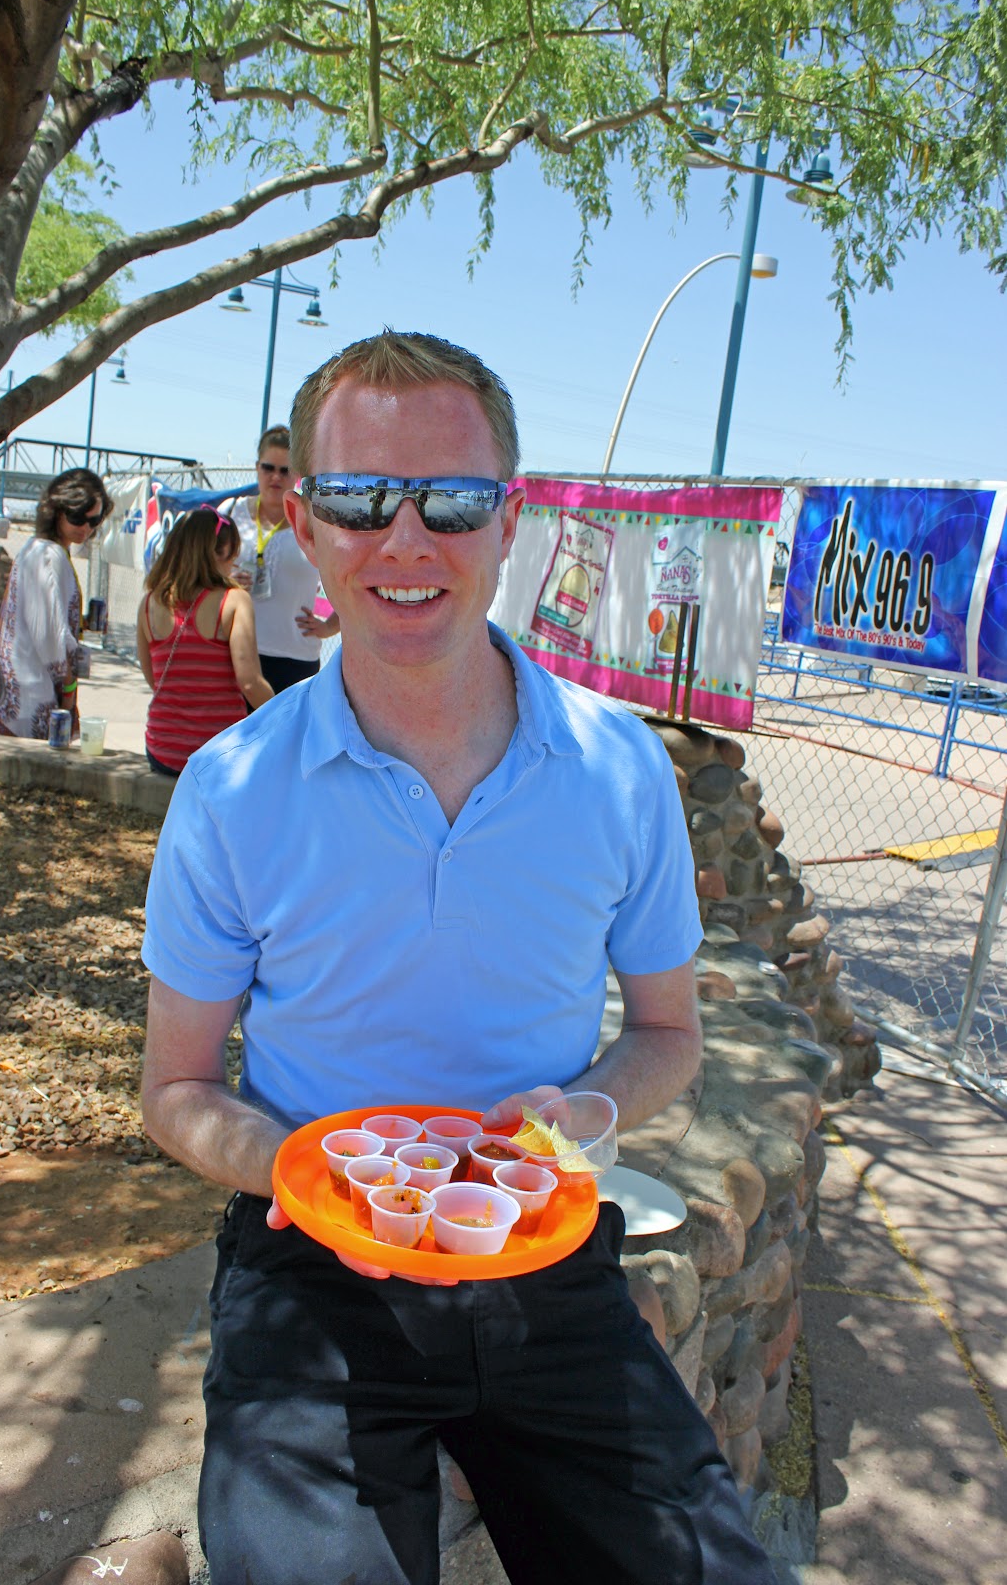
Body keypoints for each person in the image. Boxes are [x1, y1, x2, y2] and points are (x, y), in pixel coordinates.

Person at [140, 332, 776, 1585]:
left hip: (543, 1254)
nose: (406, 537)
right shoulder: (231, 791)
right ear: (303, 524)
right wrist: (317, 1175)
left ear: (511, 521)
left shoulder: (615, 768)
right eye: (360, 497)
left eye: (454, 498)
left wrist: (588, 1107)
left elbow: (667, 1036)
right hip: (308, 1270)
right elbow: (176, 1089)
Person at [136, 505, 274, 775]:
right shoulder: (233, 601)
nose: (234, 563)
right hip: (218, 756)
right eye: (233, 556)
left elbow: (154, 679)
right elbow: (250, 683)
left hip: (162, 751)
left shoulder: (148, 602)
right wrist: (289, 716)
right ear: (218, 554)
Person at [0, 468, 111, 740]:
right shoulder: (50, 556)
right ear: (58, 511)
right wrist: (68, 690)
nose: (87, 527)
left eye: (95, 519)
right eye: (79, 517)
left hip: (16, 693)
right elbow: (49, 637)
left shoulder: (38, 548)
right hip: (30, 697)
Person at [221, 425, 336, 688]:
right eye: (268, 468)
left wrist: (331, 626)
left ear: (296, 474)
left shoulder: (315, 521)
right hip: (234, 652)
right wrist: (226, 581)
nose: (275, 477)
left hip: (295, 658)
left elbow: (350, 575)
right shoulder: (230, 513)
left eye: (284, 470)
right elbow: (200, 573)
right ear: (257, 467)